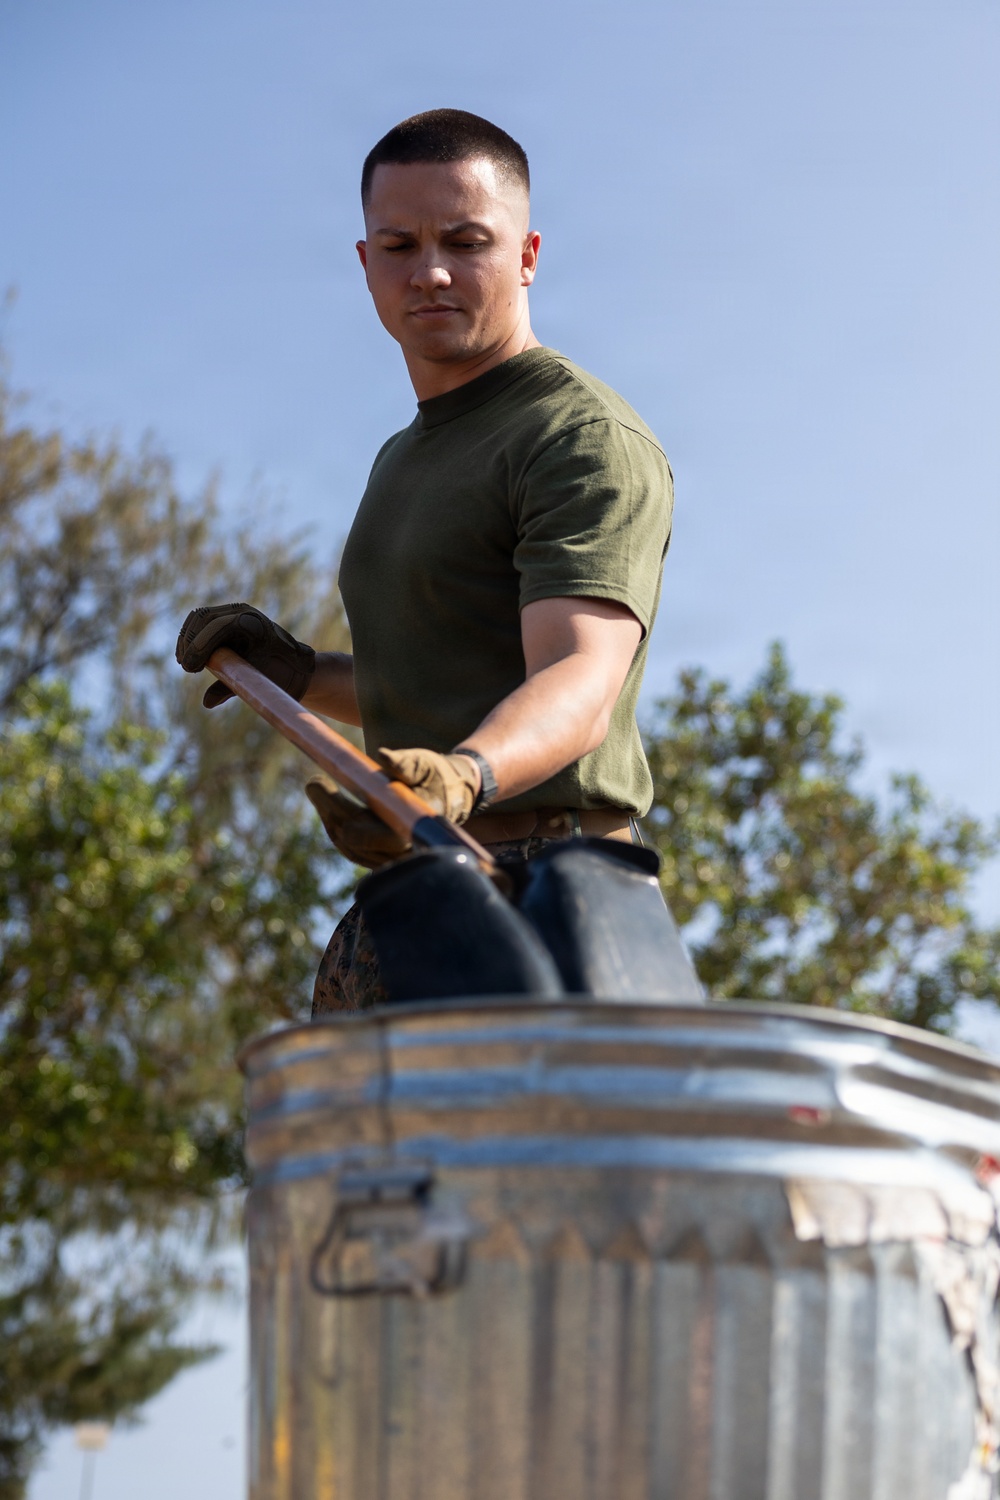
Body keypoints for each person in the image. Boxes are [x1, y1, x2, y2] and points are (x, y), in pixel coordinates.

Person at [176, 108, 674, 1013]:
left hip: (547, 890)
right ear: (366, 265)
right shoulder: (404, 456)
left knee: (537, 1159)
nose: (432, 271)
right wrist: (301, 673)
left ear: (525, 254)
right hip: (415, 892)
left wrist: (464, 777)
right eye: (400, 244)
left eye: (466, 240)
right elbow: (438, 685)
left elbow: (577, 676)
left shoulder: (575, 436)